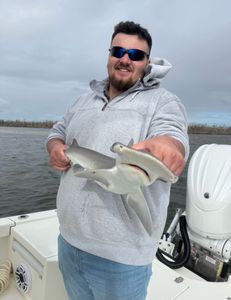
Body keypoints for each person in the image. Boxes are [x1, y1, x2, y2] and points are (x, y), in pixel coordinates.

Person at [47, 21, 189, 300]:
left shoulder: (164, 102)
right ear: (109, 54)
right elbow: (57, 132)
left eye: (136, 55)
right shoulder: (82, 101)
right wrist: (55, 147)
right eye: (118, 51)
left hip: (121, 260)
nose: (125, 59)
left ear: (147, 62)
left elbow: (172, 135)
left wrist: (168, 148)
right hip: (68, 242)